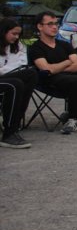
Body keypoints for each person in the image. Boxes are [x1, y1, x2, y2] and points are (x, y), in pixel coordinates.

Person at [0, 18, 37, 148]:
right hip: (7, 79)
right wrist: (7, 69)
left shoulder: (18, 45)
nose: (16, 37)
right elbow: (14, 66)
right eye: (13, 33)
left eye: (18, 34)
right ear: (3, 31)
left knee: (31, 74)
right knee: (15, 84)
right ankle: (9, 133)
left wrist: (5, 70)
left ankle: (16, 121)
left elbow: (22, 64)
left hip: (7, 76)